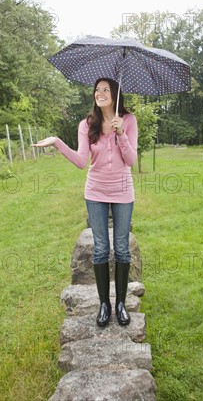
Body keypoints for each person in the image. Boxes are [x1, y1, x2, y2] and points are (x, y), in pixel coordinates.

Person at [32, 78, 138, 327]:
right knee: (101, 248)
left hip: (122, 191)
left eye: (106, 90)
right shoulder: (87, 124)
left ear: (115, 94)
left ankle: (121, 304)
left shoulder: (128, 120)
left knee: (121, 247)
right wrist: (57, 142)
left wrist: (121, 133)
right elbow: (82, 161)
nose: (100, 93)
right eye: (97, 90)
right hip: (95, 191)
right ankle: (104, 305)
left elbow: (131, 160)